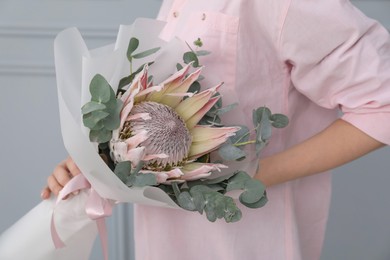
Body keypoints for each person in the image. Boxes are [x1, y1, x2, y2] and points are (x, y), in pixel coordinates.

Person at [41, 0, 390, 259]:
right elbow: (165, 107)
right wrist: (101, 160)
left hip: (249, 245)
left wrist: (253, 175)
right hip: (161, 243)